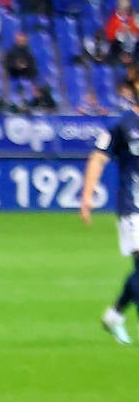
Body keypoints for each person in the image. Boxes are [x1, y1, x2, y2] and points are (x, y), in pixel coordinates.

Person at [80, 104, 139, 345]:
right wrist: (87, 193)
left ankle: (114, 315)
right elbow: (98, 157)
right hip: (133, 206)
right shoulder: (122, 124)